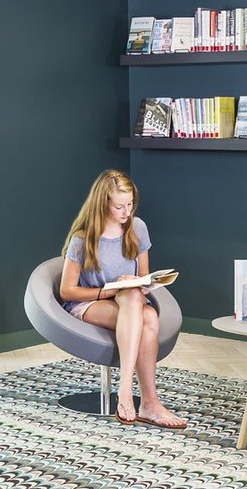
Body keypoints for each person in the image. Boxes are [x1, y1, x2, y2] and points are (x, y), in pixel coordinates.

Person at [59, 170, 186, 430]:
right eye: (119, 206)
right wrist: (109, 291)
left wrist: (138, 282)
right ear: (102, 203)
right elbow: (67, 291)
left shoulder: (137, 228)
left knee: (145, 311)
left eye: (130, 204)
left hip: (130, 301)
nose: (126, 211)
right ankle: (133, 393)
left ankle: (145, 401)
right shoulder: (82, 239)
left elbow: (143, 277)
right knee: (142, 312)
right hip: (90, 303)